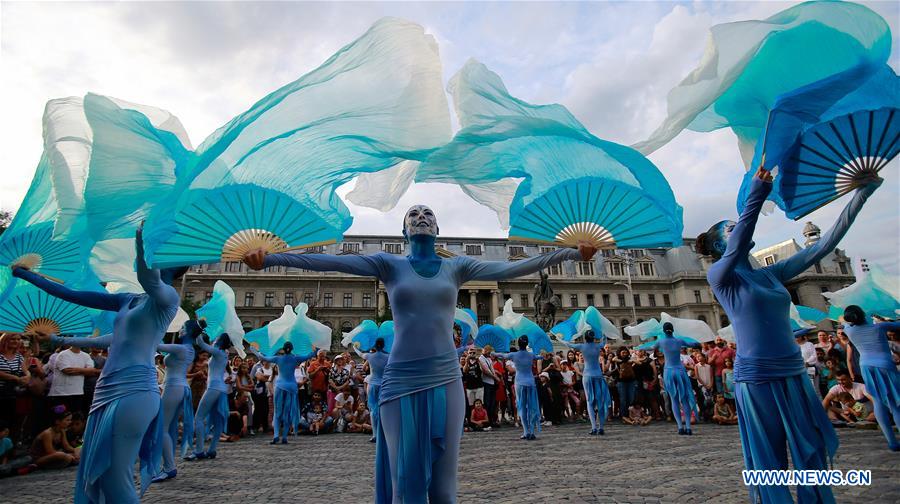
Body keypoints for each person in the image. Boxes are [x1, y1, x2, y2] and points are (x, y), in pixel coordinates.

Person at [243, 204, 592, 502]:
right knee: (406, 481)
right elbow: (331, 263)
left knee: (444, 486)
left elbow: (513, 267)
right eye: (414, 213)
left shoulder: (458, 267)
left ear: (438, 228)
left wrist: (572, 253)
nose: (421, 216)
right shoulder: (388, 264)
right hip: (400, 380)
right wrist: (271, 258)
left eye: (428, 213)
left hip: (446, 377)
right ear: (404, 230)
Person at [701, 167, 879, 504]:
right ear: (719, 245)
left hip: (793, 373)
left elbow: (823, 246)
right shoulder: (721, 276)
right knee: (769, 458)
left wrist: (862, 195)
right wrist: (758, 192)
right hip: (757, 376)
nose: (736, 228)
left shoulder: (772, 274)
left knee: (809, 450)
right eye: (729, 228)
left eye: (735, 224)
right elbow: (741, 239)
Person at [13, 226, 182, 503]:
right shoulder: (129, 300)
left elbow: (148, 277)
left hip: (135, 391)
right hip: (106, 392)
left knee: (117, 477)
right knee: (100, 473)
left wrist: (143, 241)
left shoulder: (167, 299)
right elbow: (75, 296)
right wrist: (28, 276)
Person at [838, 305, 900, 450]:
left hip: (866, 366)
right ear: (863, 314)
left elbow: (843, 320)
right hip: (885, 365)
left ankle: (891, 442)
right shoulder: (879, 327)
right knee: (895, 403)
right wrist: (882, 319)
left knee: (878, 402)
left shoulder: (849, 330)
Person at [151, 320, 203, 482]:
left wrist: (156, 328)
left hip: (173, 387)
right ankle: (168, 464)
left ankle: (169, 467)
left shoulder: (181, 348)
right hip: (178, 387)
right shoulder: (188, 349)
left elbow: (156, 345)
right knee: (168, 427)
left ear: (188, 331)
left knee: (162, 427)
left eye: (183, 327)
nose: (180, 329)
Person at [249, 342, 316, 445]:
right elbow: (310, 355)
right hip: (291, 387)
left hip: (280, 386)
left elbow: (262, 357)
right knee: (288, 412)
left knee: (277, 412)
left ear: (283, 349)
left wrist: (253, 349)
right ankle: (284, 437)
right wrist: (316, 348)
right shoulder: (295, 358)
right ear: (292, 349)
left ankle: (276, 435)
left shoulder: (278, 358)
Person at [643, 323, 700, 435]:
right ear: (673, 330)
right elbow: (693, 344)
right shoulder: (679, 341)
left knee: (674, 399)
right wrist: (697, 341)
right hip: (680, 370)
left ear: (664, 331)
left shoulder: (661, 341)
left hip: (669, 371)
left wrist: (638, 347)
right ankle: (688, 426)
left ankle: (680, 427)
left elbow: (650, 348)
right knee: (684, 399)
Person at [187, 332, 234, 461]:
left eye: (216, 338)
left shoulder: (218, 352)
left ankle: (199, 450)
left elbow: (201, 344)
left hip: (213, 387)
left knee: (199, 417)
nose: (214, 339)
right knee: (217, 420)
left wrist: (199, 330)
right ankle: (212, 449)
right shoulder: (224, 353)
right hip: (220, 389)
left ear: (220, 341)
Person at [558, 330, 611, 435]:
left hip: (587, 376)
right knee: (600, 402)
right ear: (593, 337)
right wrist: (604, 332)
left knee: (589, 402)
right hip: (598, 375)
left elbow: (569, 344)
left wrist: (559, 338)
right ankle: (601, 427)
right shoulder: (598, 346)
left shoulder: (582, 346)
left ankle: (593, 428)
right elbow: (604, 341)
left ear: (585, 338)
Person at [493, 336, 544, 440]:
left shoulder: (514, 354)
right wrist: (542, 355)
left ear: (518, 344)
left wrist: (493, 353)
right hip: (530, 382)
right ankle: (532, 431)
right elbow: (539, 357)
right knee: (531, 406)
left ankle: (526, 431)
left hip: (520, 382)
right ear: (526, 344)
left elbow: (503, 355)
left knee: (522, 406)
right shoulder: (531, 355)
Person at [352, 338, 389, 442]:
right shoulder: (388, 357)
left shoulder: (370, 356)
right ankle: (384, 434)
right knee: (383, 409)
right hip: (383, 384)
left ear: (375, 346)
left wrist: (354, 347)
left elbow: (360, 354)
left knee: (373, 410)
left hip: (372, 384)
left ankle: (375, 434)